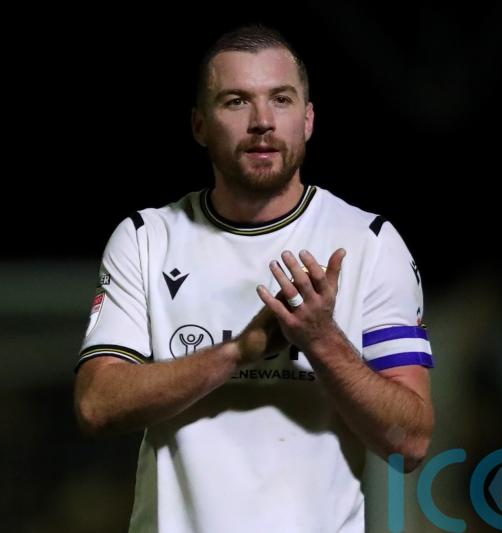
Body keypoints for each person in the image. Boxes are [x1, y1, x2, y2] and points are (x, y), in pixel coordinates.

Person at [73, 24, 435, 533]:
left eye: (281, 100)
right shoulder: (146, 238)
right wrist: (238, 352)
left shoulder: (370, 243)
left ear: (308, 120)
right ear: (200, 125)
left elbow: (411, 442)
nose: (262, 122)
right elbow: (96, 405)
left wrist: (322, 341)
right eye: (236, 101)